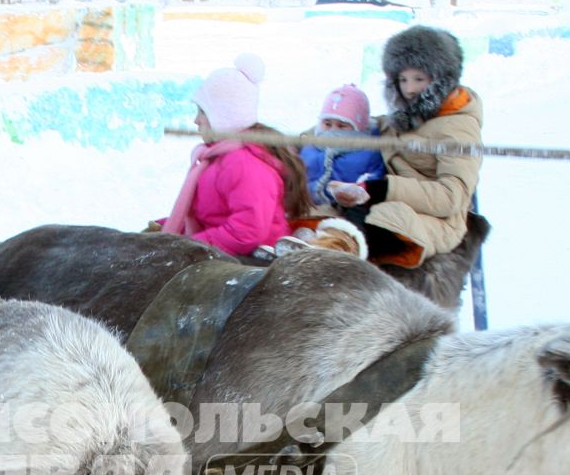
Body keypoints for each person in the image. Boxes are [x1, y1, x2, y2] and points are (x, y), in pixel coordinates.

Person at [328, 25, 487, 310]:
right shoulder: (405, 116)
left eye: (419, 78)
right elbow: (369, 126)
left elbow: (452, 197)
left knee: (386, 216)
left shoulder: (459, 128)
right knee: (329, 207)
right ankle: (319, 248)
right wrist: (317, 133)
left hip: (436, 220)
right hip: (392, 207)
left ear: (440, 79)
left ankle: (332, 255)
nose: (410, 88)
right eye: (402, 79)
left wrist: (384, 188)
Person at [158, 52, 310, 258]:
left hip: (251, 262)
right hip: (225, 252)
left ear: (222, 115)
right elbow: (209, 217)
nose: (196, 120)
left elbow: (247, 232)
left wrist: (188, 247)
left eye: (202, 111)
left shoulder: (244, 164)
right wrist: (166, 229)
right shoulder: (219, 156)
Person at [300, 82, 384, 205]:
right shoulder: (310, 147)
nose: (333, 130)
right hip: (306, 206)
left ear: (358, 128)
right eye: (327, 124)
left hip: (345, 209)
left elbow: (374, 178)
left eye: (342, 126)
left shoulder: (369, 152)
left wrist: (358, 189)